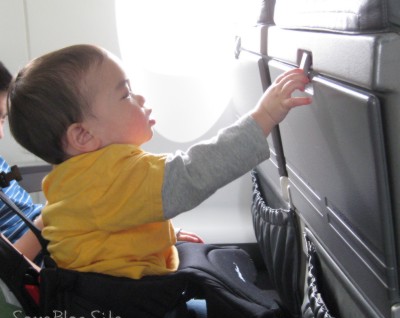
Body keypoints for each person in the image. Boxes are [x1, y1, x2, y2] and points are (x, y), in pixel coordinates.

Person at [7, 44, 311, 280]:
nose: (139, 98)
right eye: (125, 94)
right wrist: (263, 118)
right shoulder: (108, 176)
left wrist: (164, 236)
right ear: (83, 136)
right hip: (127, 316)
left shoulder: (78, 179)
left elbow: (105, 233)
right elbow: (192, 173)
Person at [0, 61, 44, 262]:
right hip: (43, 264)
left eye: (2, 120)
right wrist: (53, 218)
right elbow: (9, 264)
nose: (1, 135)